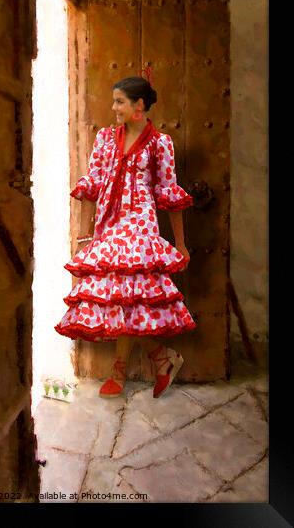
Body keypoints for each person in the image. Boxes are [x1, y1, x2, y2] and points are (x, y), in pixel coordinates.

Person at [54, 69, 197, 399]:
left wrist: (180, 243)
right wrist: (85, 234)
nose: (114, 108)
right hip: (109, 222)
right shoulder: (105, 138)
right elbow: (92, 185)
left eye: (120, 101)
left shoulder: (160, 143)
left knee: (127, 294)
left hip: (140, 224)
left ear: (139, 105)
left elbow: (168, 194)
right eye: (114, 101)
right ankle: (162, 358)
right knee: (122, 297)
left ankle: (123, 370)